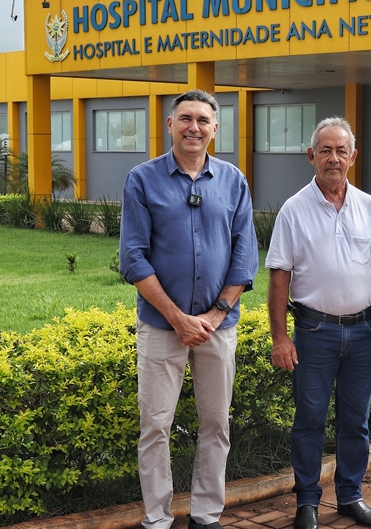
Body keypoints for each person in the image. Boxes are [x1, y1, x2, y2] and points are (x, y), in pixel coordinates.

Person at [120, 89, 259, 529]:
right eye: (185, 118)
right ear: (170, 124)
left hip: (218, 327)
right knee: (155, 427)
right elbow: (133, 258)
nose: (194, 127)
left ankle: (205, 514)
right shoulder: (142, 180)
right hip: (162, 328)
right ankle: (157, 518)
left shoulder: (234, 180)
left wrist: (214, 316)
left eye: (203, 119)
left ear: (215, 128)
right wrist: (178, 318)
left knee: (216, 424)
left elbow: (245, 257)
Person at [266, 117, 371, 529]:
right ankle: (307, 501)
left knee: (355, 421)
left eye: (341, 151)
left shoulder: (370, 208)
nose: (333, 158)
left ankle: (350, 496)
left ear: (353, 157)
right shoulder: (293, 209)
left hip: (362, 333)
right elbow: (278, 276)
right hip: (313, 333)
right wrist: (279, 337)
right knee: (309, 419)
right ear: (311, 156)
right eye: (325, 150)